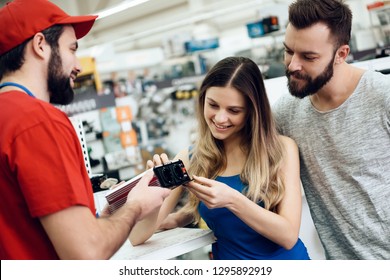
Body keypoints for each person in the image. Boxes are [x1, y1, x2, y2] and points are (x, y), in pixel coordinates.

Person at [0, 0, 171, 260]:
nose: (78, 65)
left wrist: (101, 222)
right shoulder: (39, 121)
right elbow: (86, 254)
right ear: (40, 45)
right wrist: (136, 206)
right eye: (72, 49)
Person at [129, 56, 310, 260]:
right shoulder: (190, 159)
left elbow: (287, 235)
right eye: (213, 105)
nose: (220, 118)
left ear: (252, 111)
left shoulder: (281, 150)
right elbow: (137, 238)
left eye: (233, 110)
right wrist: (156, 194)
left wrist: (232, 200)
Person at [272, 0, 390, 259]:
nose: (293, 65)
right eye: (289, 51)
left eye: (308, 56)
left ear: (341, 54)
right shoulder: (284, 114)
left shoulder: (384, 96)